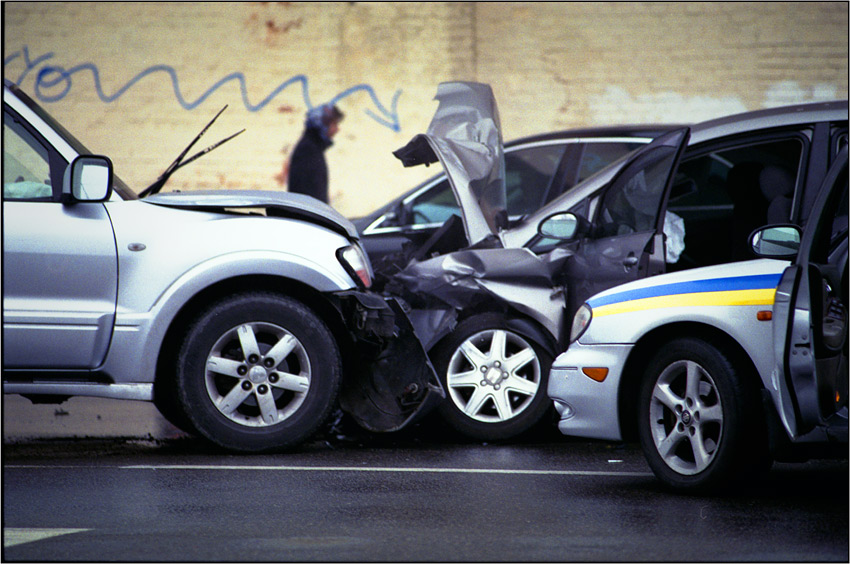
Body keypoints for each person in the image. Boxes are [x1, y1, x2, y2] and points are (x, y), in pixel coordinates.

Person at [285, 103, 344, 204]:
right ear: (323, 125)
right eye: (334, 124)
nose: (337, 129)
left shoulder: (312, 148)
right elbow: (312, 196)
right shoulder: (308, 151)